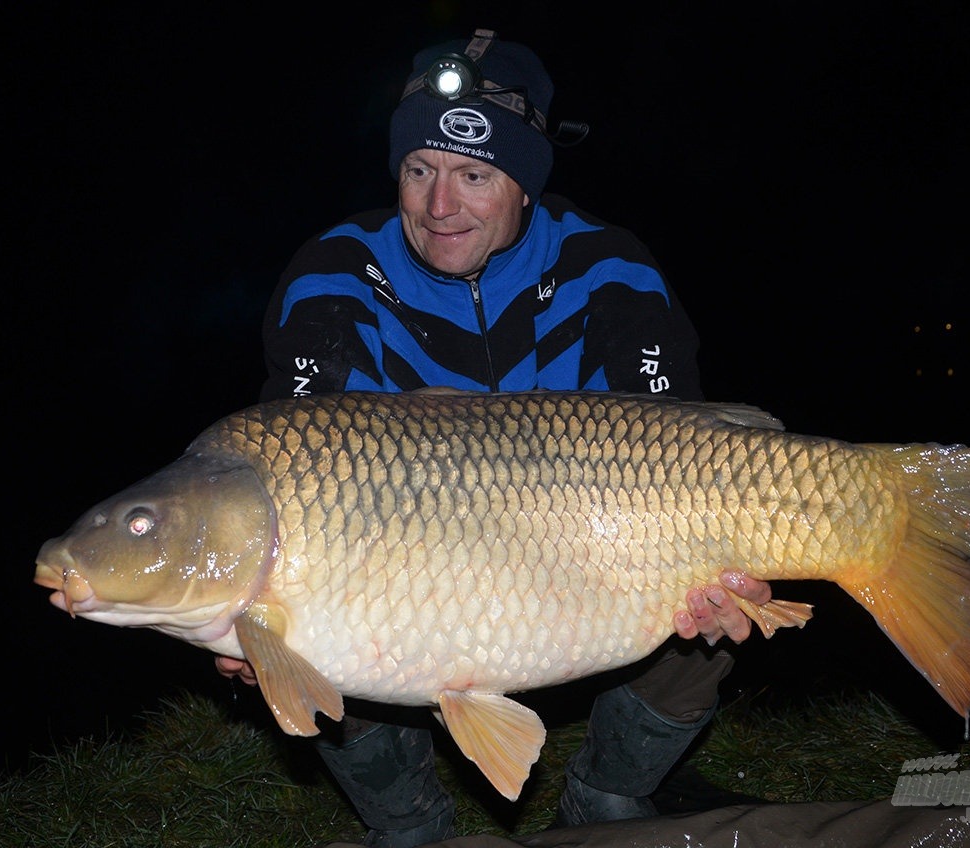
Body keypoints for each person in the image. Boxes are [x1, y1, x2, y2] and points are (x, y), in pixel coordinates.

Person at [215, 28, 774, 848]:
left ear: (527, 183)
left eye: (474, 175)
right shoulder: (333, 276)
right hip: (414, 593)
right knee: (308, 622)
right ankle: (410, 824)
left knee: (708, 603)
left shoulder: (610, 271)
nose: (441, 207)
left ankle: (606, 799)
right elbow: (288, 473)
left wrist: (726, 567)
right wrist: (250, 614)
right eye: (419, 170)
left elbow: (688, 450)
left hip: (589, 577)